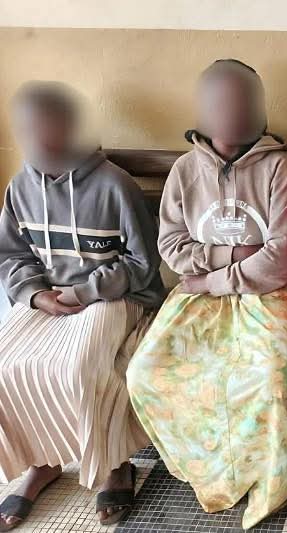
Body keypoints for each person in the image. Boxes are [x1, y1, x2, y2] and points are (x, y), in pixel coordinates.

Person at [125, 59, 287, 529]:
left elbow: (280, 259)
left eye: (245, 102)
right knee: (146, 371)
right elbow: (172, 248)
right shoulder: (185, 171)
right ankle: (210, 469)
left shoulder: (277, 167)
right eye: (221, 103)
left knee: (268, 377)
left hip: (266, 295)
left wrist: (211, 275)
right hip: (198, 296)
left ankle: (268, 477)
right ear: (201, 111)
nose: (234, 112)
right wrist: (233, 254)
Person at [0, 81, 164, 530]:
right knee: (6, 365)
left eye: (50, 128)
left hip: (114, 295)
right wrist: (35, 294)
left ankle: (114, 462)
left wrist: (86, 292)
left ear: (70, 127)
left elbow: (142, 262)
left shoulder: (114, 184)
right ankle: (43, 461)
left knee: (80, 366)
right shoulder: (20, 188)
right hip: (47, 295)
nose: (41, 140)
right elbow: (11, 256)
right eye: (29, 130)